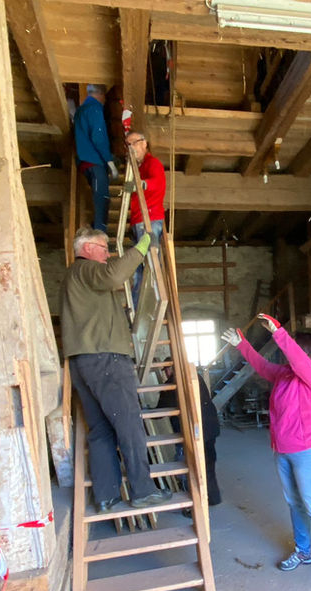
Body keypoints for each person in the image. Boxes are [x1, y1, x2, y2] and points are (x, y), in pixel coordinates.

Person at [222, 314, 311, 589]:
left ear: (305, 352)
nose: (287, 353)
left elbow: (298, 360)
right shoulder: (283, 374)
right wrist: (241, 344)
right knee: (295, 503)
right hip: (284, 450)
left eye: (294, 347)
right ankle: (303, 551)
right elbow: (261, 365)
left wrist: (279, 333)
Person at [61, 226, 171, 513]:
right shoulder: (86, 268)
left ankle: (106, 496)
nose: (108, 254)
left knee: (100, 430)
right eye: (103, 248)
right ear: (87, 249)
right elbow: (113, 275)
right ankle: (143, 491)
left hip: (83, 362)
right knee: (130, 425)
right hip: (106, 359)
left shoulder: (75, 277)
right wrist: (142, 247)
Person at [156, 362, 222, 510]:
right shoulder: (195, 376)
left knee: (189, 467)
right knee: (208, 463)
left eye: (167, 370)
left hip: (193, 431)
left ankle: (191, 504)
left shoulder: (172, 383)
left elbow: (160, 412)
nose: (166, 373)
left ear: (172, 368)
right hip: (209, 426)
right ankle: (214, 497)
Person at [124, 131, 166, 309]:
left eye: (133, 143)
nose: (130, 148)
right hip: (138, 220)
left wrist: (142, 184)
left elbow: (158, 183)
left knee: (150, 264)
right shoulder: (137, 168)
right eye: (128, 144)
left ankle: (152, 307)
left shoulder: (152, 163)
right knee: (139, 267)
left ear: (144, 143)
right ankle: (137, 307)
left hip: (149, 219)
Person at [74, 84, 118, 233]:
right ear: (101, 95)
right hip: (94, 160)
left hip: (84, 160)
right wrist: (109, 160)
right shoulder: (94, 109)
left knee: (98, 196)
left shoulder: (81, 110)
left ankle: (97, 228)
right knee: (102, 198)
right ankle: (100, 231)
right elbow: (98, 137)